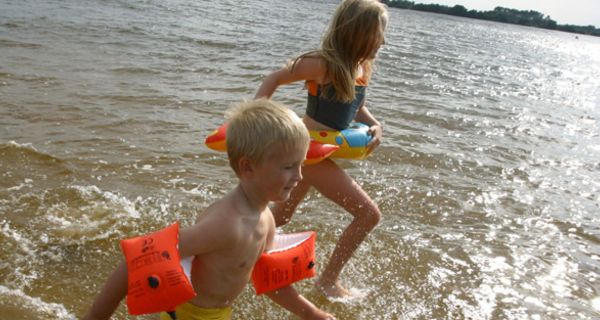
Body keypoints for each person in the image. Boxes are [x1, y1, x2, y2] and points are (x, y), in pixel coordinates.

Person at [83, 99, 335, 320]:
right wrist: (97, 315)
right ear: (248, 168)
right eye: (288, 167)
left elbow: (269, 281)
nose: (299, 177)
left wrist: (310, 313)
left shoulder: (266, 218)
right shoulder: (227, 225)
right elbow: (137, 259)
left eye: (300, 165)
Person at [254, 0, 387, 298]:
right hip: (307, 152)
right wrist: (256, 113)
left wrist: (376, 125)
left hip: (324, 152)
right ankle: (327, 282)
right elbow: (275, 77)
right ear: (359, 33)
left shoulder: (361, 66)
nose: (384, 40)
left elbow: (357, 106)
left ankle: (232, 244)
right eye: (380, 33)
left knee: (282, 216)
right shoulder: (323, 63)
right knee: (369, 215)